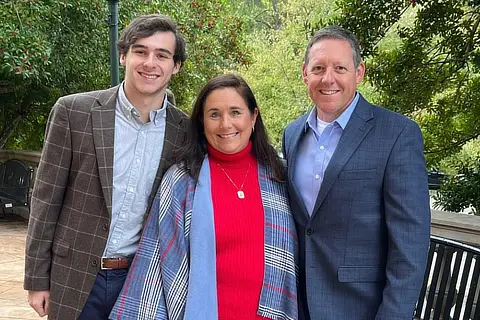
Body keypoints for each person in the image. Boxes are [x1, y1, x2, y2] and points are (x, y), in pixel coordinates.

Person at [24, 14, 189, 320]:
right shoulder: (73, 112)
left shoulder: (186, 132)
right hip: (74, 275)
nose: (150, 63)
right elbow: (45, 200)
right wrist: (37, 280)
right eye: (141, 51)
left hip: (143, 282)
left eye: (162, 55)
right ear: (124, 56)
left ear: (175, 66)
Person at [110, 74, 298, 320]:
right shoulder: (182, 180)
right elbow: (159, 260)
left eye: (235, 112)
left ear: (253, 117)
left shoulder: (279, 176)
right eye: (214, 114)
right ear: (202, 122)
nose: (226, 124)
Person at [282, 26, 431, 319]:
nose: (328, 78)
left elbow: (410, 244)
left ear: (358, 73)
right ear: (305, 73)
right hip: (297, 304)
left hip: (361, 307)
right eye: (319, 68)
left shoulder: (397, 134)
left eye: (340, 68)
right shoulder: (292, 134)